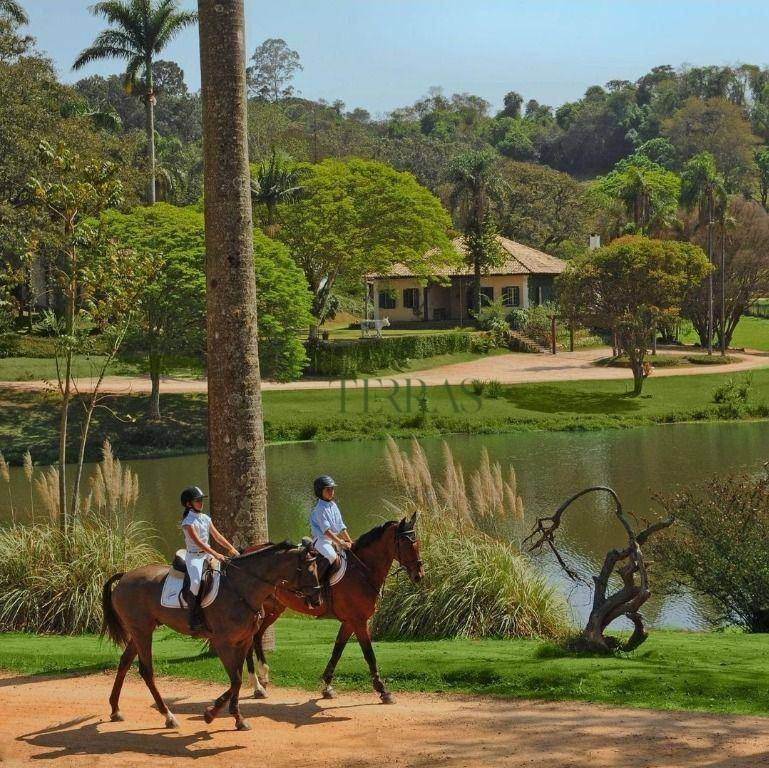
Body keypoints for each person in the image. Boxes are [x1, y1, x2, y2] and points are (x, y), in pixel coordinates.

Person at [179, 486, 239, 632]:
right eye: (197, 500)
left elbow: (217, 536)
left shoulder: (205, 518)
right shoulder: (188, 523)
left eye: (201, 500)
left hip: (207, 554)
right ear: (188, 504)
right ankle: (193, 616)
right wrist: (217, 554)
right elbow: (199, 542)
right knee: (195, 583)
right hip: (194, 557)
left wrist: (231, 548)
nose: (201, 503)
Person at [310, 475, 352, 579]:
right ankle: (319, 582)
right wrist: (340, 542)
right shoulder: (320, 509)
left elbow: (341, 526)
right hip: (321, 540)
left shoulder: (333, 505)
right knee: (332, 556)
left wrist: (350, 541)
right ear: (320, 491)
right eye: (328, 489)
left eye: (332, 489)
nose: (331, 492)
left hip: (333, 539)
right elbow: (326, 531)